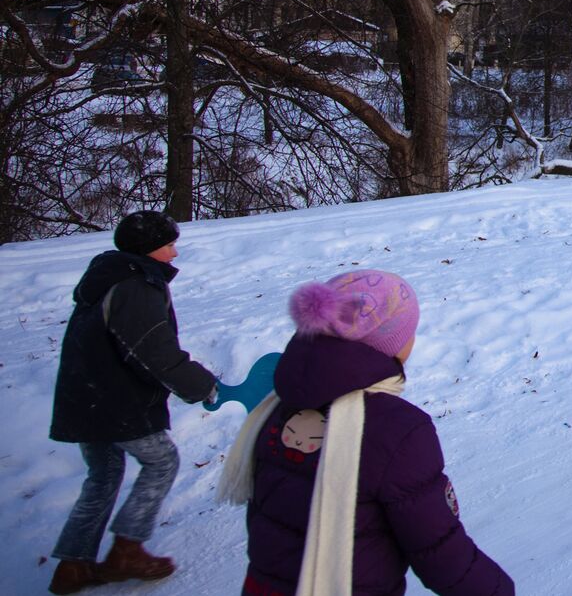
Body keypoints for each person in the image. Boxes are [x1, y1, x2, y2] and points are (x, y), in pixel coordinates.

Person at [220, 269, 513, 596]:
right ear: (387, 343)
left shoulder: (275, 407)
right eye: (408, 332)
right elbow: (439, 550)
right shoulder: (396, 430)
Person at [48, 210, 218, 595]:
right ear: (149, 249)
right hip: (116, 399)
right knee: (162, 462)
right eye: (169, 245)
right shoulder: (136, 285)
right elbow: (153, 351)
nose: (175, 254)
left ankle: (72, 566)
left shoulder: (105, 277)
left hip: (83, 396)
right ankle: (127, 548)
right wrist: (201, 385)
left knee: (103, 475)